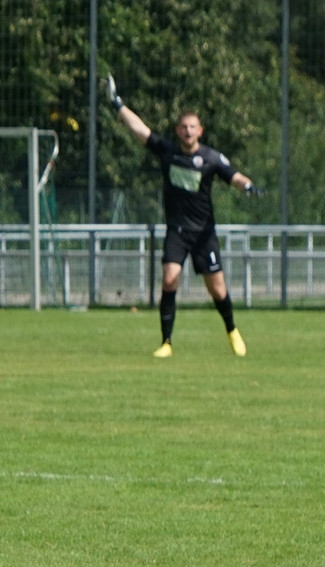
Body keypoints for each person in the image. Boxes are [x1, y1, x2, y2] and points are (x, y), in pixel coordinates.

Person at [107, 73, 262, 358]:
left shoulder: (211, 158)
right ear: (177, 130)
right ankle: (166, 343)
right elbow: (140, 129)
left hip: (203, 233)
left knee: (218, 290)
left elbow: (234, 176)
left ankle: (232, 330)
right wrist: (118, 105)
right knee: (169, 279)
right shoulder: (168, 152)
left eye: (192, 127)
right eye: (183, 127)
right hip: (177, 231)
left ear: (200, 130)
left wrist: (248, 185)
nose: (188, 131)